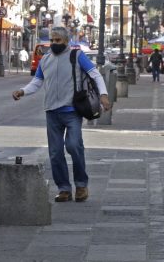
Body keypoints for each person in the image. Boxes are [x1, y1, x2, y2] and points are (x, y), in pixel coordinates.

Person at [11, 27, 110, 203]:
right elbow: (37, 82)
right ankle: (64, 188)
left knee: (73, 146)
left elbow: (96, 75)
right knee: (55, 153)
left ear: (66, 41)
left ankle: (81, 184)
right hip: (52, 112)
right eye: (53, 40)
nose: (55, 44)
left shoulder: (77, 56)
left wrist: (103, 95)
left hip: (72, 110)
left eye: (58, 41)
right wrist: (22, 91)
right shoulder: (45, 59)